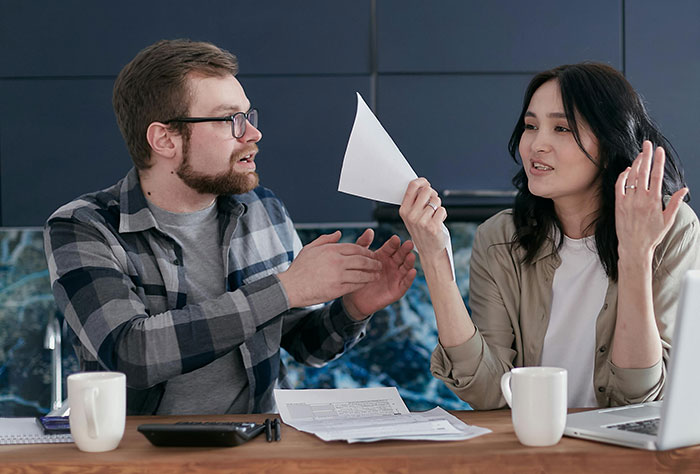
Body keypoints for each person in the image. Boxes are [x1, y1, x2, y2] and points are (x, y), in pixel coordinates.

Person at [44, 39, 416, 415]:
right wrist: (286, 288)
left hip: (260, 450)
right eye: (230, 120)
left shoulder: (263, 209)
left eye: (249, 117)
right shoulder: (84, 227)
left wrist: (354, 306)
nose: (253, 135)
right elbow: (132, 354)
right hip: (143, 459)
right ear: (165, 139)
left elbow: (305, 345)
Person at [399, 62, 700, 409]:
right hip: (535, 448)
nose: (536, 145)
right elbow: (486, 391)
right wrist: (436, 260)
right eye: (530, 126)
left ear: (610, 140)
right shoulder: (500, 238)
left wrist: (636, 255)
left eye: (562, 128)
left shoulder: (670, 228)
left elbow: (640, 396)